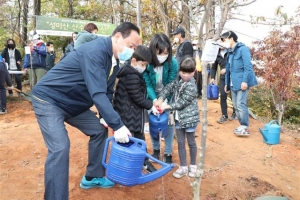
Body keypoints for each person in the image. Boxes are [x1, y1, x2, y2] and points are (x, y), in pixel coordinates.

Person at [31, 22, 141, 200]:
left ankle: (93, 176)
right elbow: (97, 93)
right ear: (118, 37)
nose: (132, 51)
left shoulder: (115, 60)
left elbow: (107, 91)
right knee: (60, 147)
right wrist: (118, 125)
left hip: (73, 103)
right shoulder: (95, 51)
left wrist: (106, 116)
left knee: (98, 130)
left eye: (135, 48)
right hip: (49, 99)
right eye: (131, 46)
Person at [113, 45, 158, 173]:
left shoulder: (129, 72)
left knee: (135, 138)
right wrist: (151, 106)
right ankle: (138, 164)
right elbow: (137, 96)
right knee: (135, 139)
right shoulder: (132, 75)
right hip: (129, 114)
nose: (143, 68)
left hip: (129, 113)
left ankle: (139, 162)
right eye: (142, 64)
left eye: (145, 65)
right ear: (134, 61)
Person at [156, 56, 200, 178]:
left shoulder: (191, 86)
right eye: (183, 72)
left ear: (194, 72)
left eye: (189, 73)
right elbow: (169, 88)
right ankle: (183, 167)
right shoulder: (178, 82)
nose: (185, 75)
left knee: (191, 142)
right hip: (179, 119)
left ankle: (193, 166)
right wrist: (161, 98)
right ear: (179, 71)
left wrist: (167, 106)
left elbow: (182, 103)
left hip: (190, 120)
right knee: (180, 142)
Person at [143, 33, 178, 164]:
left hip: (167, 97)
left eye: (166, 52)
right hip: (152, 98)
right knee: (153, 122)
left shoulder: (173, 62)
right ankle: (156, 150)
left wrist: (163, 100)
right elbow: (147, 83)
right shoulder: (147, 63)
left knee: (167, 123)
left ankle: (168, 152)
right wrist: (154, 100)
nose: (163, 55)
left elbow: (171, 83)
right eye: (160, 52)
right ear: (153, 50)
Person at [222, 31, 257, 136]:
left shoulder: (243, 49)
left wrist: (245, 81)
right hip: (233, 83)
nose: (224, 42)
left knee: (241, 104)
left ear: (231, 38)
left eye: (225, 40)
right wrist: (227, 84)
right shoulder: (229, 52)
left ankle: (245, 127)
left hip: (242, 82)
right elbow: (228, 70)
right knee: (236, 106)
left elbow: (248, 67)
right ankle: (242, 125)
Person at [210, 43, 237, 124]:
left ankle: (235, 113)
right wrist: (212, 77)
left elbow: (235, 64)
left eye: (223, 41)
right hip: (223, 78)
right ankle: (224, 115)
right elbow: (214, 67)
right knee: (223, 95)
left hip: (232, 76)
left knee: (233, 95)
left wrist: (226, 69)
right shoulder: (216, 54)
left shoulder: (231, 51)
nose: (221, 44)